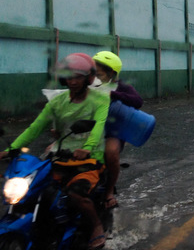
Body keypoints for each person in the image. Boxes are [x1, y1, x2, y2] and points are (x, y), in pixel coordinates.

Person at [0, 53, 109, 250]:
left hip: (89, 160)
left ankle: (96, 226)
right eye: (69, 76)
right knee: (32, 189)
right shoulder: (57, 102)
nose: (73, 81)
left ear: (89, 78)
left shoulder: (100, 100)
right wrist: (9, 150)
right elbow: (35, 128)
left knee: (76, 194)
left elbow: (98, 127)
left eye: (78, 76)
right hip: (59, 157)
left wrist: (86, 149)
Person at [92, 51, 143, 210]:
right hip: (90, 128)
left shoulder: (122, 87)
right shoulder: (89, 85)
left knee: (111, 152)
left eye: (99, 73)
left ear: (111, 74)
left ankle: (108, 192)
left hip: (112, 131)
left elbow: (138, 101)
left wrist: (112, 94)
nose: (95, 76)